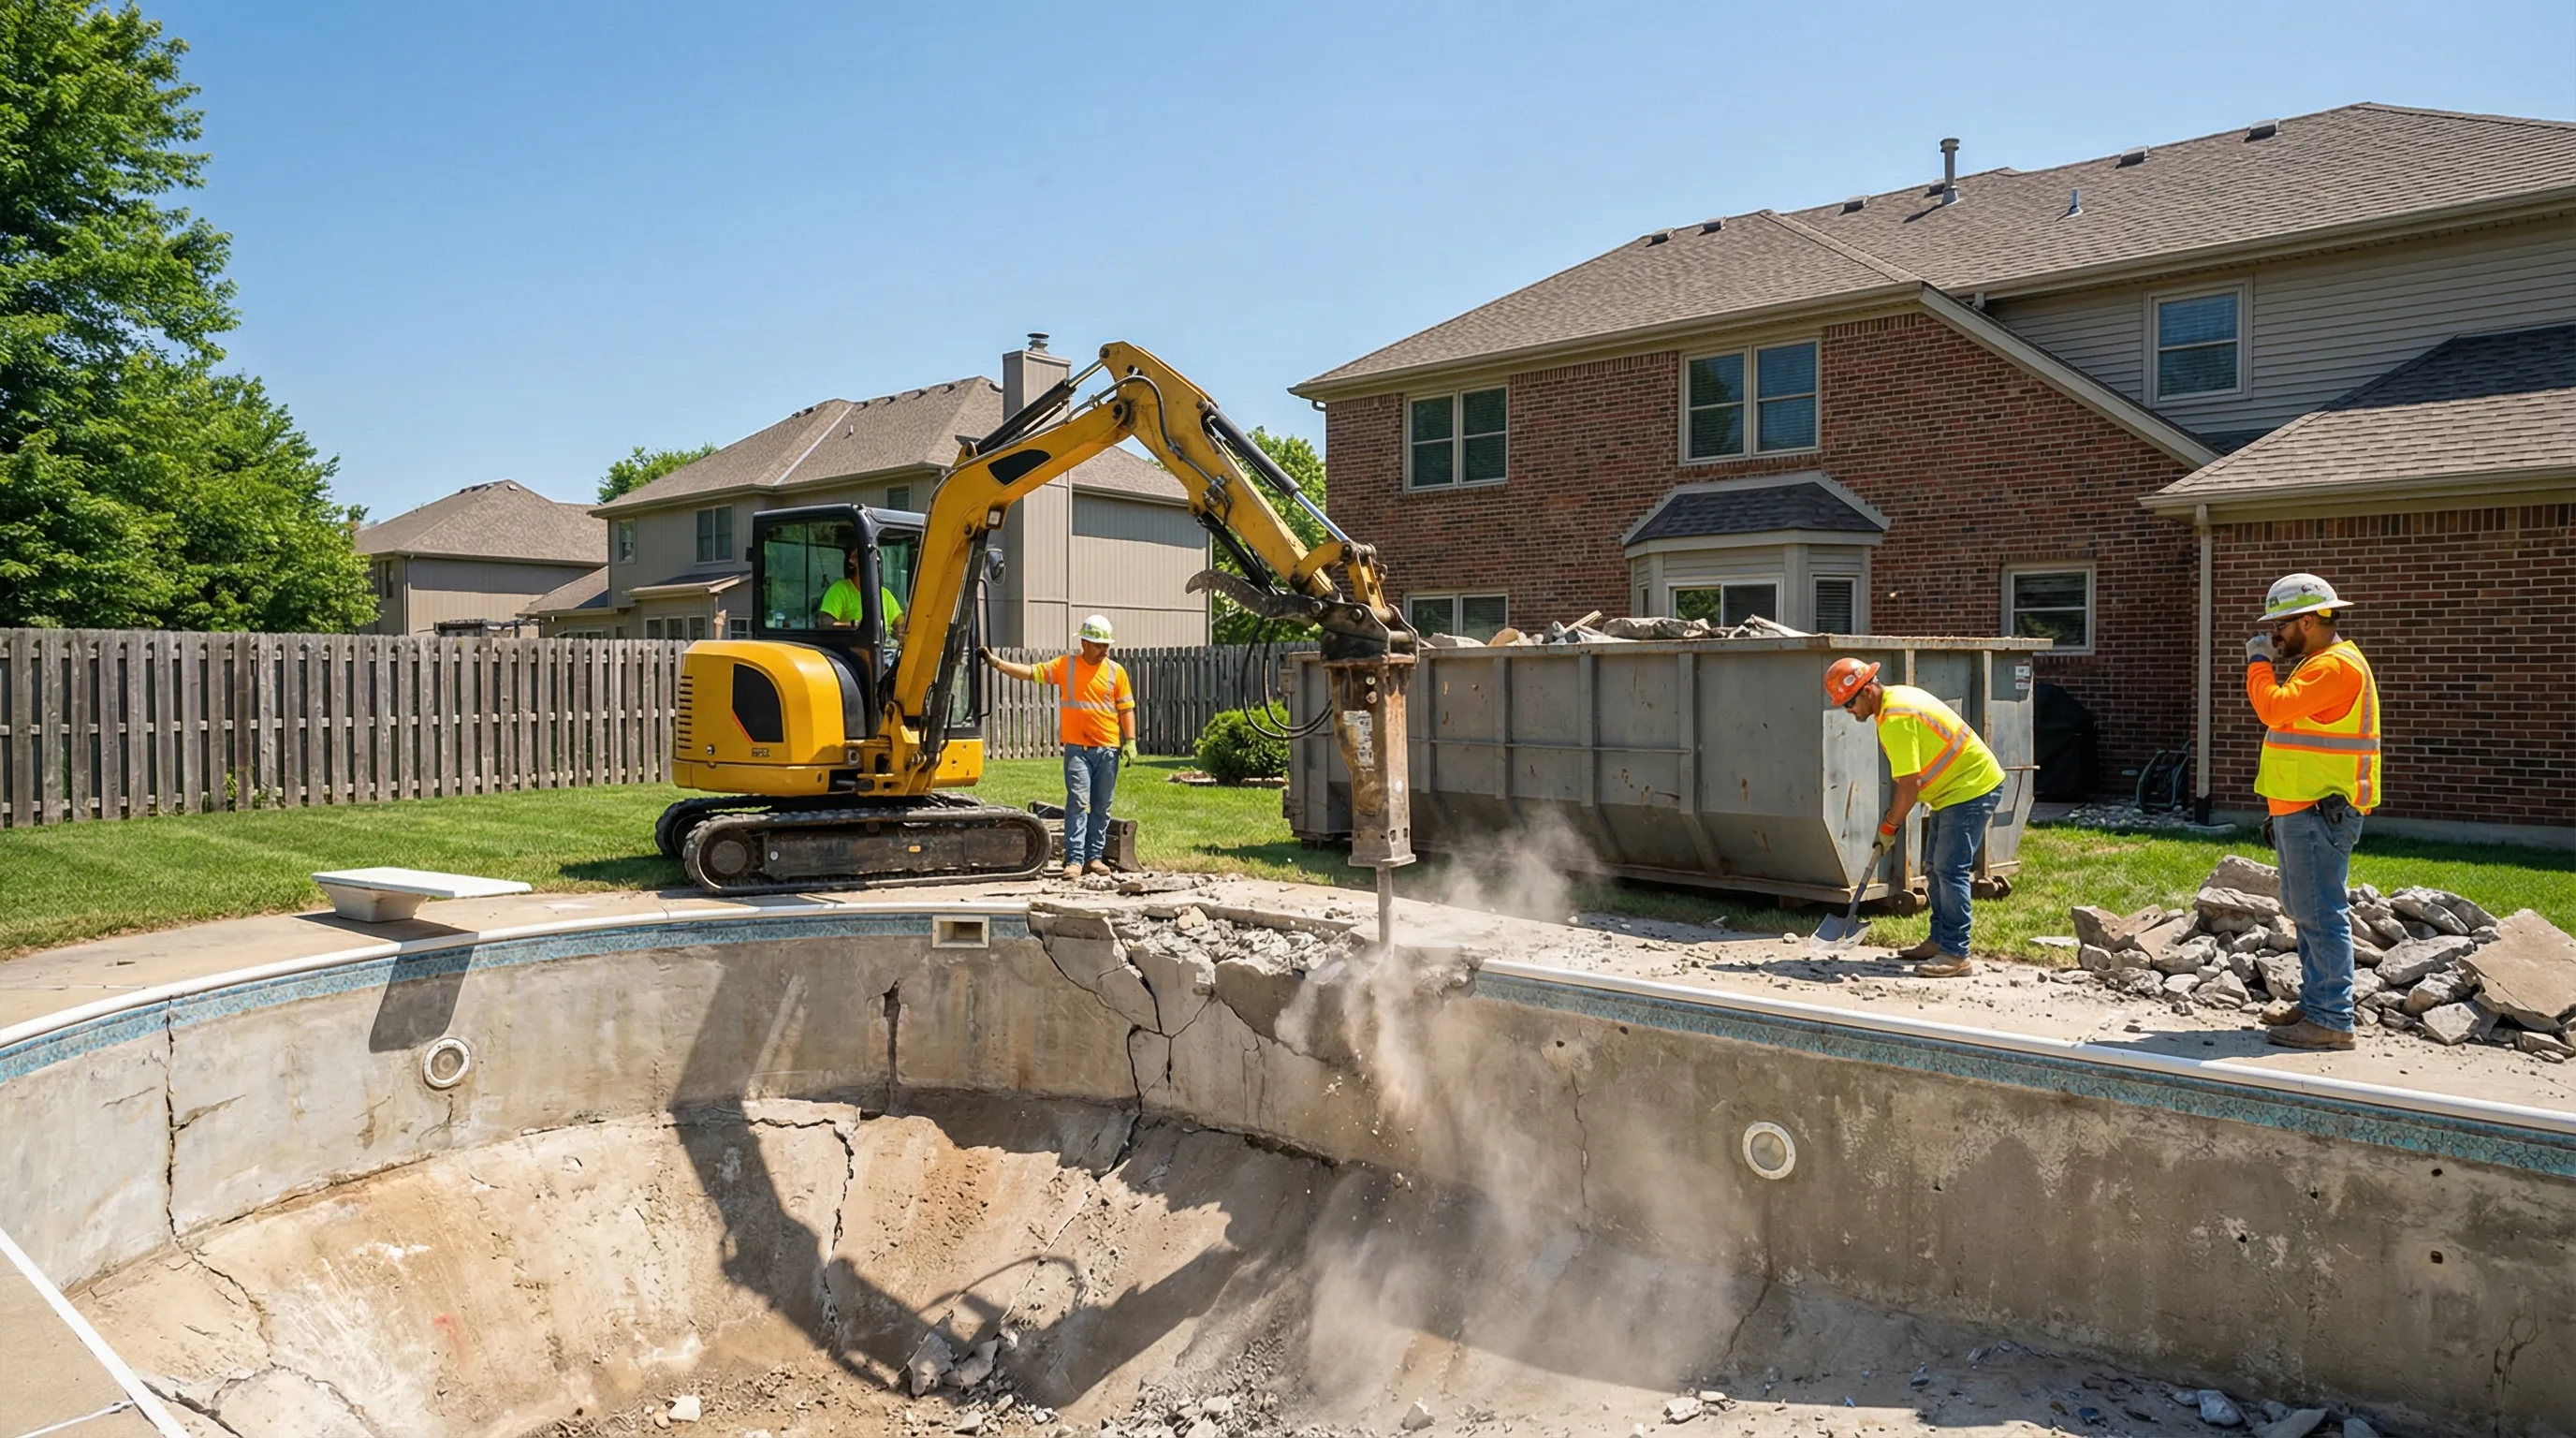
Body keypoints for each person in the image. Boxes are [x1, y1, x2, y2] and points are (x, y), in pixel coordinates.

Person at [2243, 573, 2379, 1052]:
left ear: (2308, 620)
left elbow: (2273, 709)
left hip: (2320, 811)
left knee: (2321, 914)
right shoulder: (2317, 663)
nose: (2273, 635)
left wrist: (2258, 661)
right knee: (2309, 911)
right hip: (2305, 809)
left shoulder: (2335, 666)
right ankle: (2319, 1003)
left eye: (2279, 626)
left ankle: (2331, 1018)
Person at [1822, 657, 2007, 976]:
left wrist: (1889, 827)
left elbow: (1910, 785)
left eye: (1849, 702)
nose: (1848, 711)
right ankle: (1940, 941)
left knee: (1950, 871)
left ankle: (1956, 954)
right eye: (1843, 705)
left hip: (1971, 789)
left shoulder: (1896, 717)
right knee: (1935, 869)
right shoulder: (1895, 700)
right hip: (1955, 790)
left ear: (1867, 690)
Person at [982, 614, 1138, 879]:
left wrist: (1131, 740)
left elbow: (1126, 708)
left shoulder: (1116, 671)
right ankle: (1074, 861)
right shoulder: (1066, 666)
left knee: (1101, 807)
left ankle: (1094, 859)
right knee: (1077, 802)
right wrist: (997, 664)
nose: (1105, 651)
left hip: (1107, 750)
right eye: (1099, 645)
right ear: (1085, 644)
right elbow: (1031, 673)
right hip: (1078, 750)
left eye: (1107, 646)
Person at [818, 549, 904, 631]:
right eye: (869, 561)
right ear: (854, 563)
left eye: (877, 562)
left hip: (884, 645)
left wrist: (899, 633)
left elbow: (900, 624)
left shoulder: (885, 594)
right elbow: (825, 625)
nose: (874, 566)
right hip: (850, 645)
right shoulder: (838, 591)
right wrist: (852, 625)